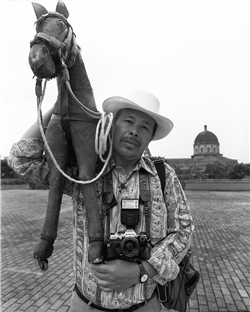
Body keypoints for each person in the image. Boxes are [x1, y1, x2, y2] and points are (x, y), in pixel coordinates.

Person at [8, 90, 194, 312]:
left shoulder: (163, 176)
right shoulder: (84, 174)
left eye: (144, 127)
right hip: (86, 305)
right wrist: (58, 107)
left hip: (144, 306)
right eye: (128, 121)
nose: (134, 132)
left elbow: (183, 231)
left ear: (151, 137)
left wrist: (141, 270)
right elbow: (21, 160)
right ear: (112, 125)